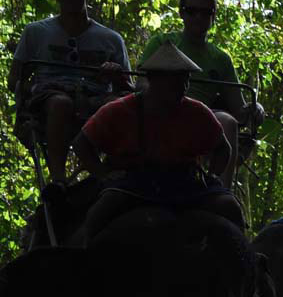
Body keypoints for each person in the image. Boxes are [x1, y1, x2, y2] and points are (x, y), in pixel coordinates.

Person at [8, 0, 131, 190]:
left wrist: (115, 76)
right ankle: (58, 179)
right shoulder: (36, 32)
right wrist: (36, 89)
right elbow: (15, 81)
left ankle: (115, 170)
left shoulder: (111, 38)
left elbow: (128, 88)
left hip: (94, 98)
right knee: (61, 103)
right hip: (49, 97)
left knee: (117, 105)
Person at [138, 0, 264, 189]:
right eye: (191, 11)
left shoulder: (220, 58)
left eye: (205, 12)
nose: (198, 17)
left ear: (213, 17)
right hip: (159, 109)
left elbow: (240, 111)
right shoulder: (163, 42)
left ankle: (222, 190)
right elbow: (142, 83)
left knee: (229, 122)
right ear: (182, 13)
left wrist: (255, 109)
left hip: (198, 117)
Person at [72, 43, 230, 192]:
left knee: (228, 206)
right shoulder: (119, 110)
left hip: (184, 184)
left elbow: (223, 148)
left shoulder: (197, 111)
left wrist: (211, 176)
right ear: (152, 78)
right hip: (130, 183)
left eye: (185, 80)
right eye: (173, 81)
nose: (182, 87)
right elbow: (81, 143)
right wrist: (103, 174)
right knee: (105, 207)